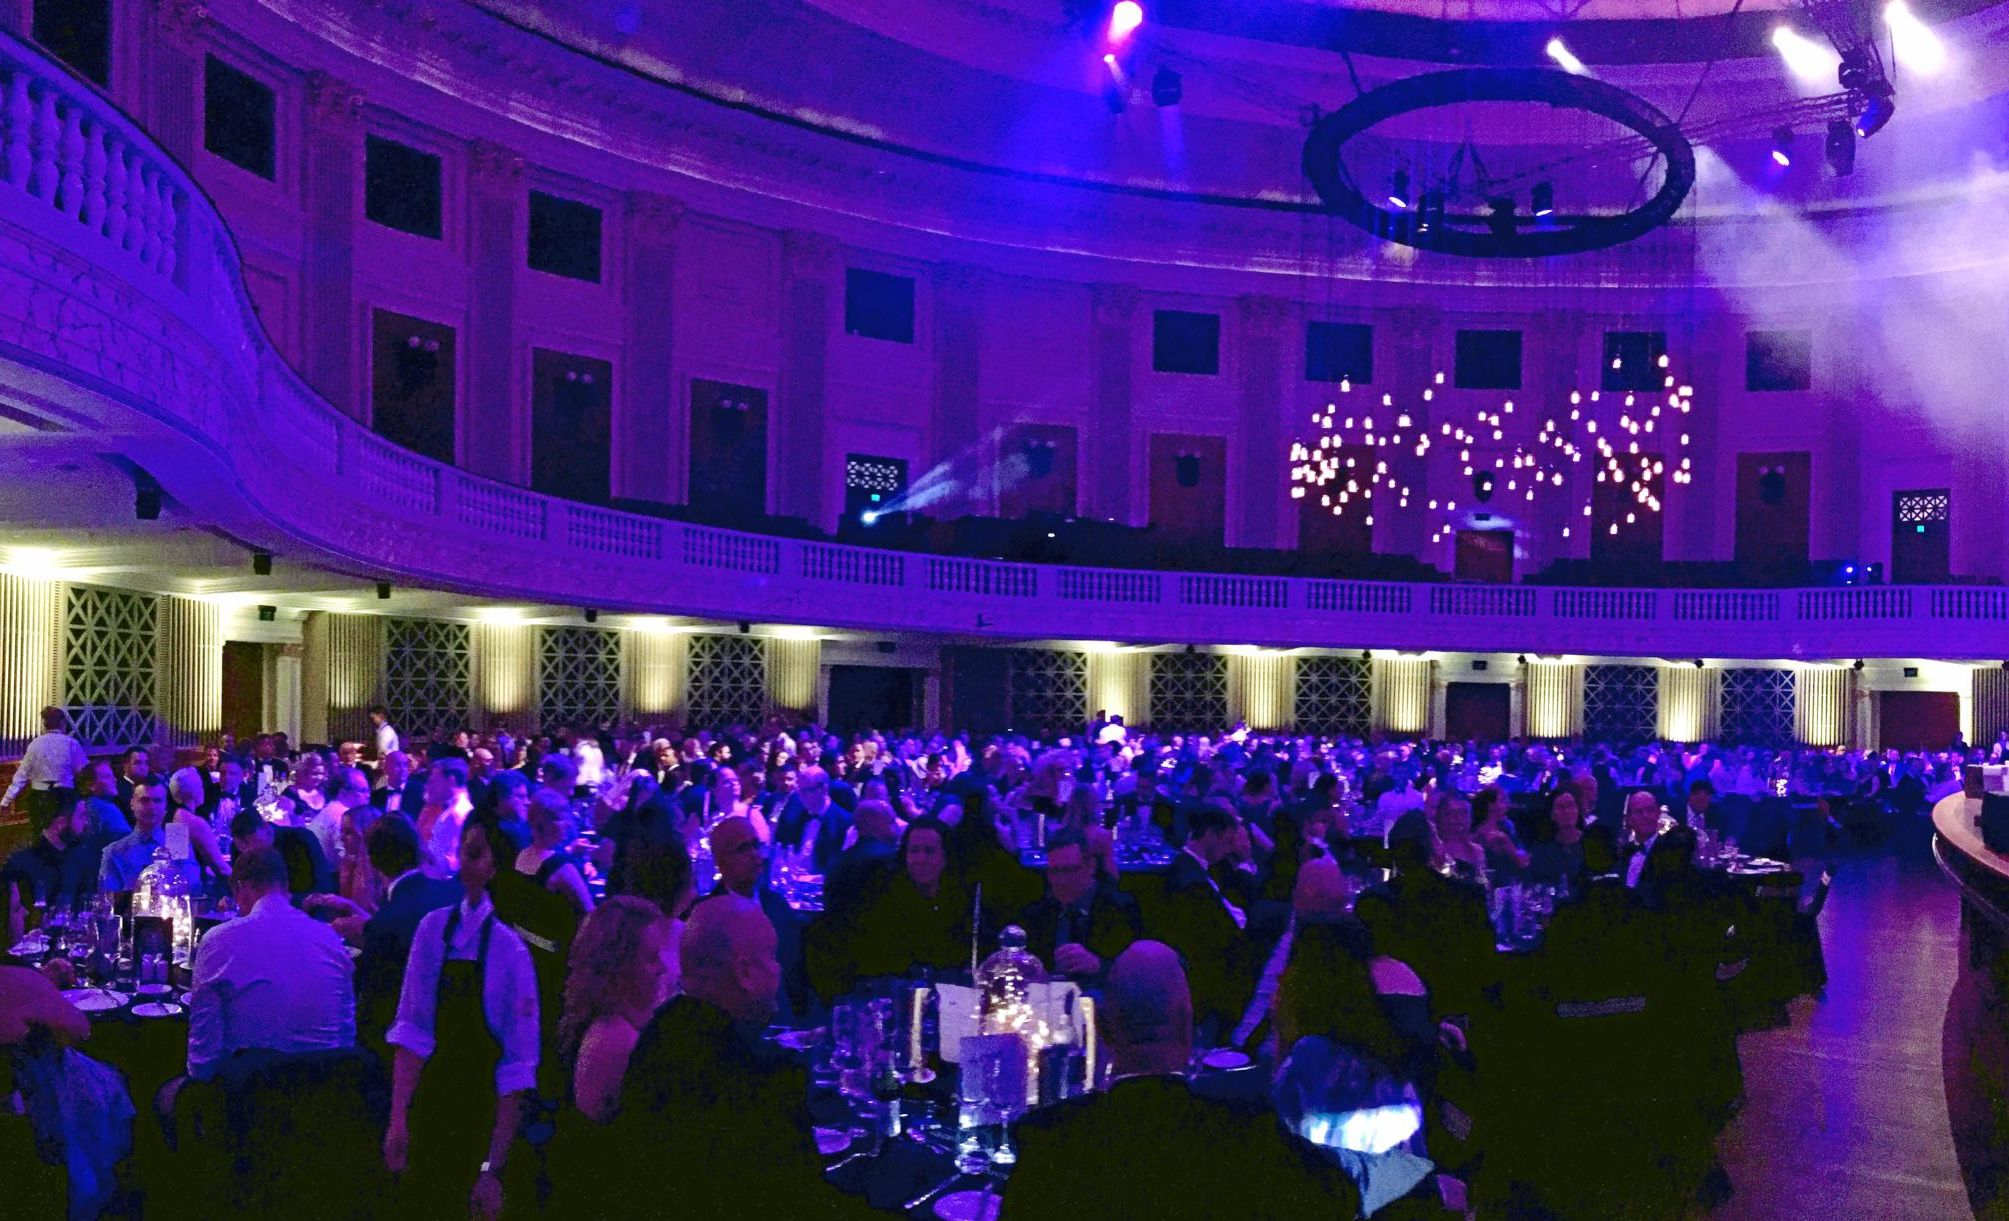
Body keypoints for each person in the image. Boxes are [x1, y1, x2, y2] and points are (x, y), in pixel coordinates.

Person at [1003, 942, 1357, 1220]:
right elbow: (1341, 1198)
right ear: (1189, 1029)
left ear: (1105, 1033)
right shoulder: (1249, 1136)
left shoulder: (1049, 1144)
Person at [595, 896, 851, 1216]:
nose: (779, 970)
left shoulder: (658, 1037)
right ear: (744, 972)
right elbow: (799, 1200)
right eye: (771, 958)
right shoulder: (757, 1075)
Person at [385, 819, 539, 1220]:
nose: (461, 865)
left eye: (474, 854)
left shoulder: (512, 949)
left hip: (481, 1117)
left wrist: (492, 1169)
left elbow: (516, 1069)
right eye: (464, 852)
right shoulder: (433, 929)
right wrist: (398, 1119)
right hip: (430, 1105)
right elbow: (412, 1030)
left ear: (496, 867)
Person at [185, 845, 355, 1080]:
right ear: (285, 887)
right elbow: (346, 1035)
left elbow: (202, 1059)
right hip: (322, 1095)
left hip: (251, 1099)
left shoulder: (219, 940)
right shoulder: (330, 939)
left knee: (166, 1094)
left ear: (240, 888)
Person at [556, 897, 671, 1123]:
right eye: (651, 959)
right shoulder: (616, 1038)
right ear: (619, 967)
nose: (662, 968)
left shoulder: (613, 1019)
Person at [352, 815, 459, 1044]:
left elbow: (374, 1016)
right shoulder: (455, 893)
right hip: (460, 1031)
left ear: (371, 861)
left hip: (412, 1044)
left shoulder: (386, 925)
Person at [1018, 827, 1142, 987]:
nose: (1061, 881)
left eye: (1069, 870)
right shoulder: (1039, 910)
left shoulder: (1120, 908)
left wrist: (1099, 966)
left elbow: (1137, 974)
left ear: (1090, 867)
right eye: (1055, 872)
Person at [3, 798, 99, 942]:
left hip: (74, 952)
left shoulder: (81, 860)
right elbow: (11, 926)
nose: (85, 824)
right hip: (29, 957)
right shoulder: (19, 865)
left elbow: (89, 910)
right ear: (60, 824)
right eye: (81, 817)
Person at [0, 706, 89, 831]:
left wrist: (6, 800)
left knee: (40, 833)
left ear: (44, 724)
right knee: (64, 834)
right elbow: (83, 772)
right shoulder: (71, 744)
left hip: (39, 797)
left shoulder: (35, 744)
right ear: (63, 723)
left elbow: (21, 776)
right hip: (65, 796)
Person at [516, 788, 594, 916]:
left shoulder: (523, 855)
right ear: (543, 824)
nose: (568, 825)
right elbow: (589, 911)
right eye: (561, 819)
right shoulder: (561, 867)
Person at [228, 807, 336, 898]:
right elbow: (237, 888)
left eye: (250, 843)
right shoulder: (237, 849)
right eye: (241, 847)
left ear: (265, 828)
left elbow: (323, 885)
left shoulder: (300, 840)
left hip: (302, 911)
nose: (247, 851)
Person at [823, 798, 900, 921]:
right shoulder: (889, 861)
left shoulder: (839, 861)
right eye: (891, 822)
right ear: (866, 827)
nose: (897, 829)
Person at [99, 776, 178, 893]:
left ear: (166, 806)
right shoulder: (113, 852)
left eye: (157, 801)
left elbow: (194, 886)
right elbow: (107, 898)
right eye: (144, 800)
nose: (151, 807)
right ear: (132, 804)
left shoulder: (177, 840)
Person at [415, 760, 472, 879]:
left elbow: (454, 863)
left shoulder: (458, 813)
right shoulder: (450, 811)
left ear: (451, 781)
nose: (428, 786)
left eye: (434, 781)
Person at [77, 761, 131, 854]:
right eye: (107, 777)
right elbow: (126, 844)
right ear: (91, 785)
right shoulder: (106, 809)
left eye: (112, 775)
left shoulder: (83, 806)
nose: (114, 780)